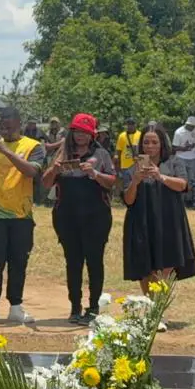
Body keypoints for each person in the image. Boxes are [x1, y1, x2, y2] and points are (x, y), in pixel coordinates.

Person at [43, 113, 115, 325]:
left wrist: (95, 174)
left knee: (94, 261)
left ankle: (93, 307)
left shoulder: (101, 154)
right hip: (67, 216)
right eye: (77, 132)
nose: (80, 136)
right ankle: (75, 306)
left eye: (85, 132)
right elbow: (45, 183)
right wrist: (54, 169)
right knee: (73, 261)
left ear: (92, 135)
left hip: (96, 216)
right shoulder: (63, 153)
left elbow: (112, 182)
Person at [0, 107, 45, 324]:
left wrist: (5, 151)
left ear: (19, 123)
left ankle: (16, 306)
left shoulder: (33, 146)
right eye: (2, 124)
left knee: (18, 262)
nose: (5, 128)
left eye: (9, 124)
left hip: (21, 215)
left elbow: (31, 171)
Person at [123, 126, 195, 316]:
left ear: (162, 144)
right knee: (145, 267)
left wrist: (160, 176)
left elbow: (183, 185)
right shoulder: (133, 167)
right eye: (146, 142)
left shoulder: (174, 162)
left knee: (166, 267)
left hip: (168, 219)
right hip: (141, 220)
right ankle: (150, 309)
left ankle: (157, 312)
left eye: (154, 142)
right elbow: (128, 200)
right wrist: (135, 181)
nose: (150, 146)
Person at [171, 115, 195, 183]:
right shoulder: (178, 132)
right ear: (187, 124)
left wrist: (194, 144)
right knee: (182, 179)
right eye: (191, 126)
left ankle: (190, 190)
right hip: (181, 158)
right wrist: (184, 148)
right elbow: (174, 147)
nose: (192, 128)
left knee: (192, 180)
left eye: (193, 126)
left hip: (193, 158)